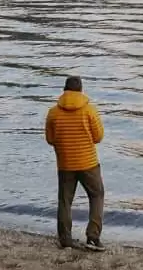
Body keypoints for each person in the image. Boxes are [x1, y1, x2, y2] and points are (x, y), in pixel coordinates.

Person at [44, 75, 105, 250]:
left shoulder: (53, 113)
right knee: (97, 195)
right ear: (81, 91)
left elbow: (50, 139)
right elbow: (98, 137)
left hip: (65, 164)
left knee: (65, 201)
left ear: (64, 90)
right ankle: (93, 237)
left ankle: (65, 239)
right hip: (89, 163)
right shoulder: (89, 111)